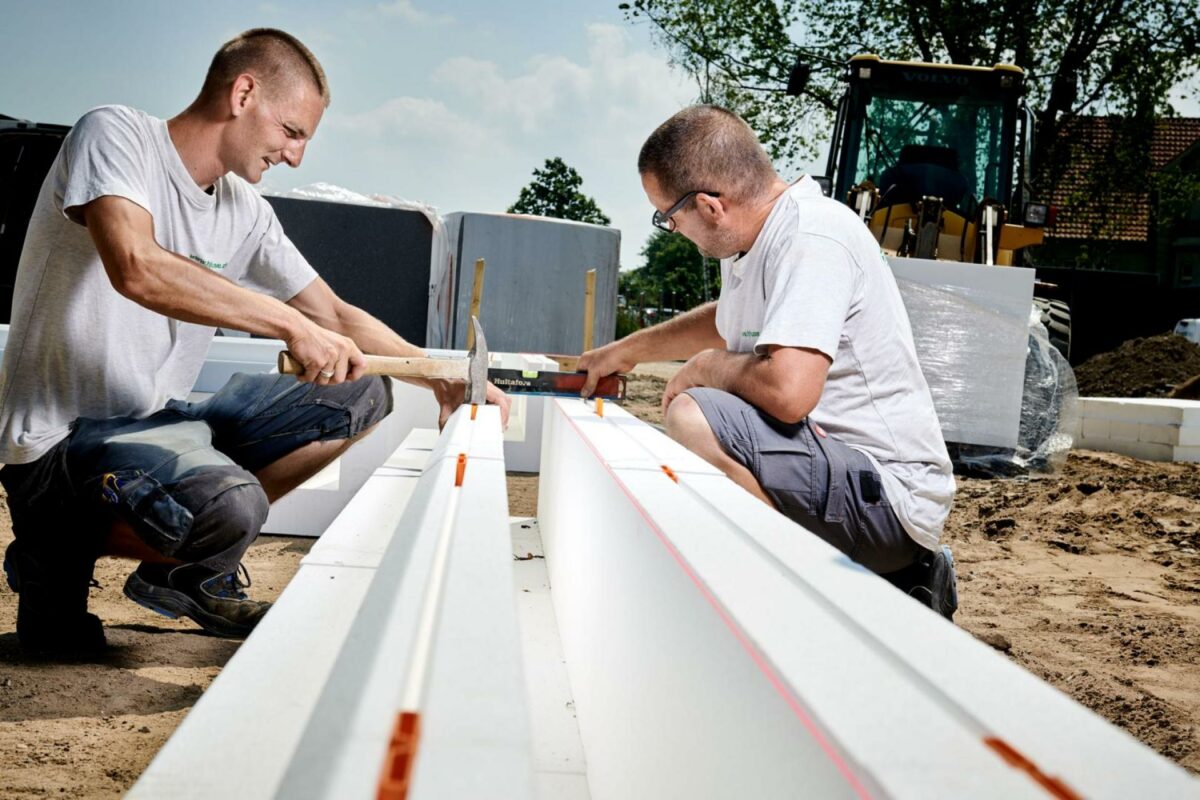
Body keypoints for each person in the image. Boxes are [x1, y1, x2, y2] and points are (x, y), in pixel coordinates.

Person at [0, 28, 507, 654]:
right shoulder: (116, 135)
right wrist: (290, 325)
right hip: (60, 445)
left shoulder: (244, 210)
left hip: (155, 426)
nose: (295, 157)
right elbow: (136, 265)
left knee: (359, 393)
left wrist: (442, 374)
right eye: (292, 132)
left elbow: (335, 314)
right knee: (231, 510)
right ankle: (58, 545)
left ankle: (177, 567)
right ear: (243, 93)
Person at [578, 105, 957, 617]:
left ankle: (813, 601)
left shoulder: (811, 237)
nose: (673, 229)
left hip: (887, 498)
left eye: (668, 217)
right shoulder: (760, 240)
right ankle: (828, 581)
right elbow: (725, 320)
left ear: (710, 206)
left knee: (694, 415)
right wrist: (624, 352)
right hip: (850, 480)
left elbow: (788, 392)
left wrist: (707, 367)